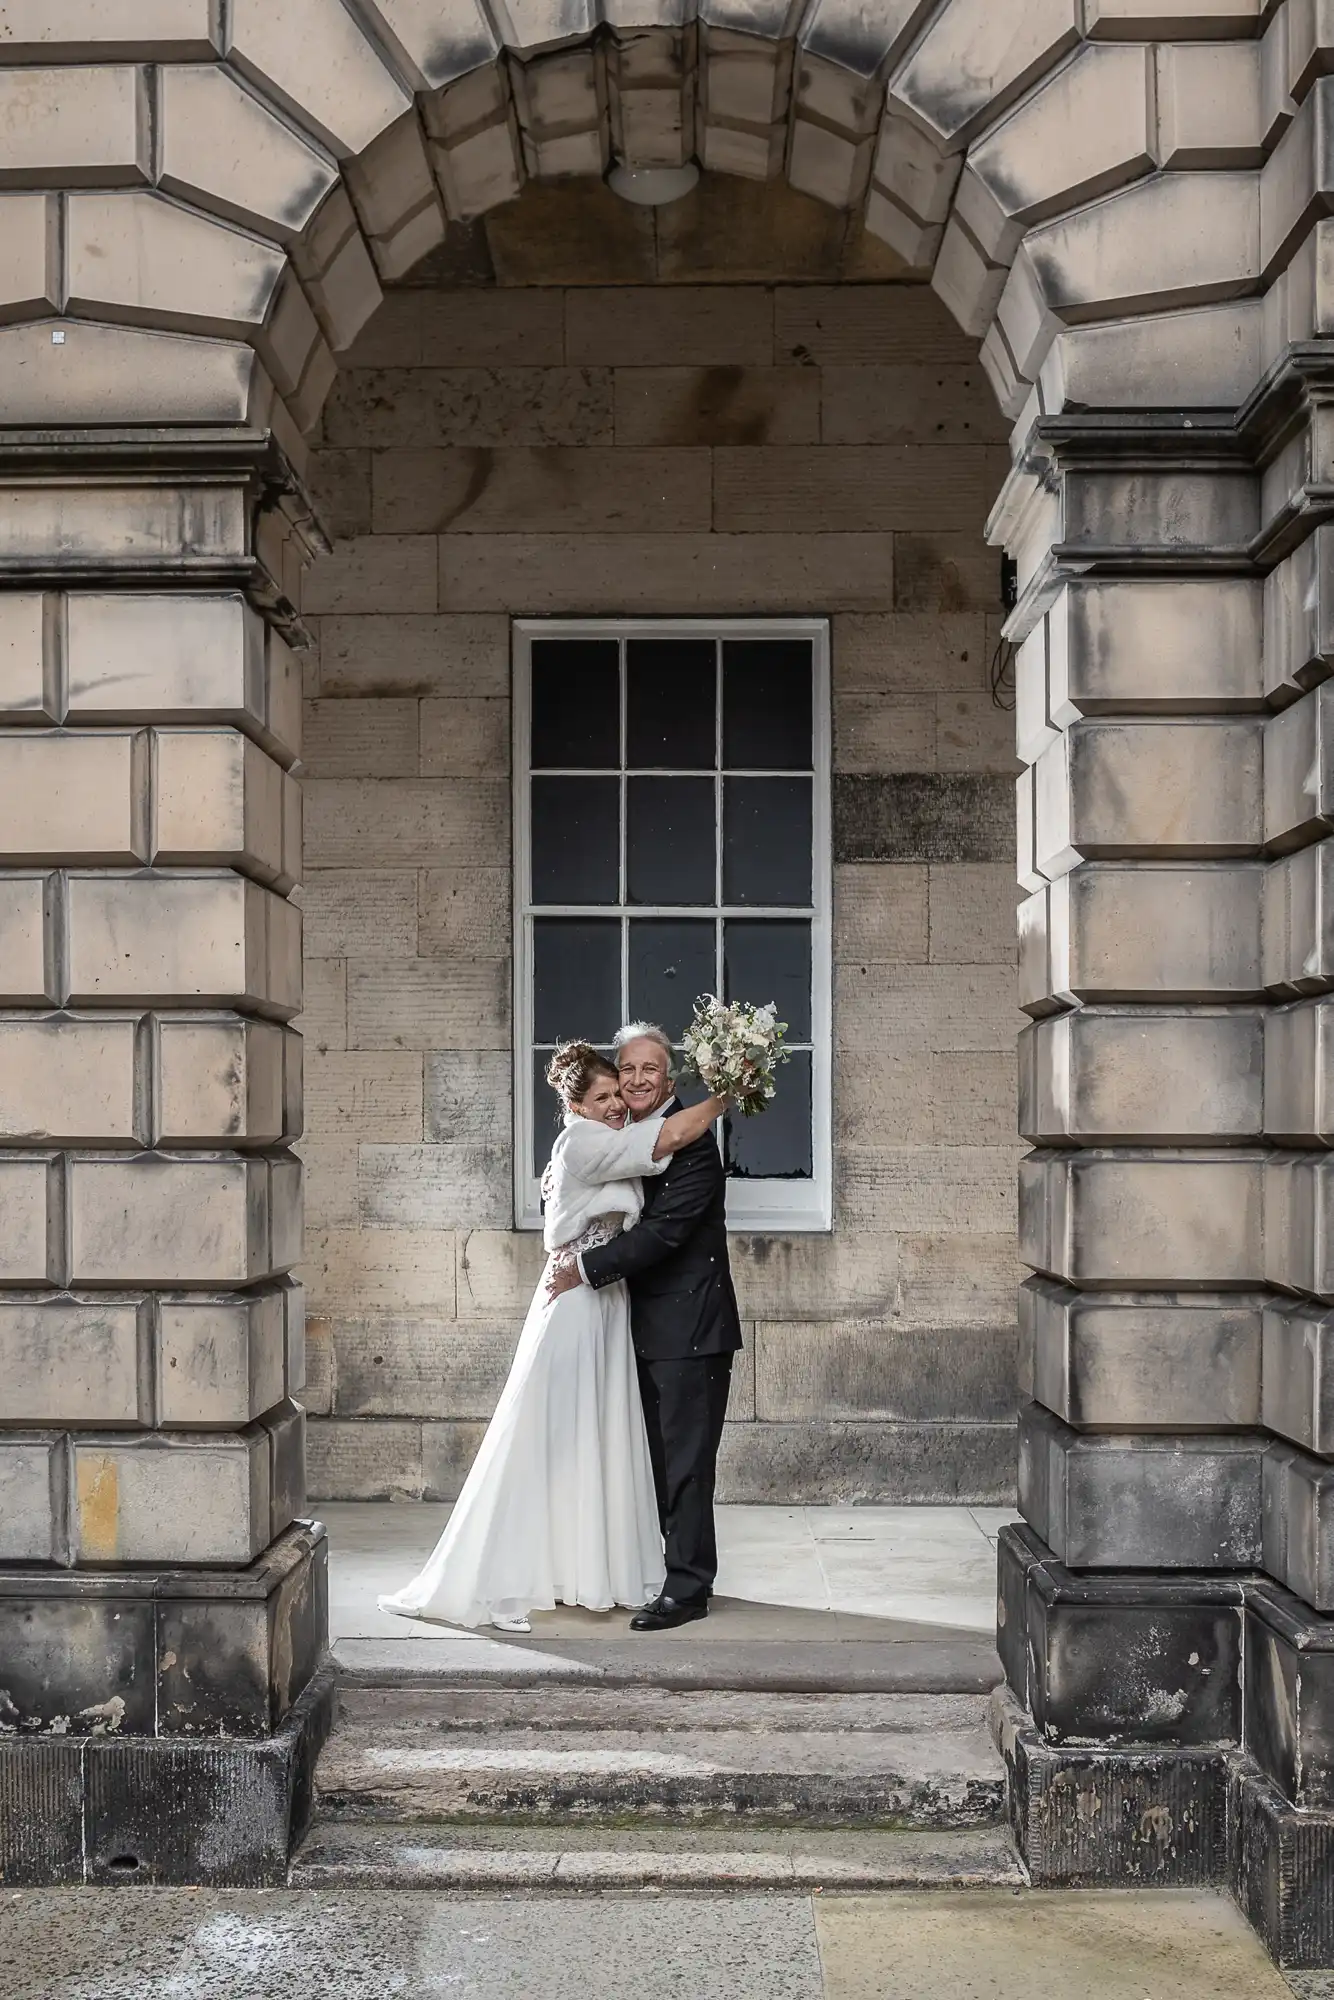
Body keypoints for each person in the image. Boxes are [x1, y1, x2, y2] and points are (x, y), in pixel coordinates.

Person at [377, 1041, 728, 1633]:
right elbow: (655, 1149)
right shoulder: (589, 1141)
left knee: (642, 1452)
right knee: (560, 1437)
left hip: (655, 1316)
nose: (623, 1095)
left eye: (639, 1078)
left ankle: (672, 1582)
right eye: (613, 1086)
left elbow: (665, 1230)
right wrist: (729, 1095)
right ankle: (526, 1569)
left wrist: (728, 1093)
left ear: (669, 1076)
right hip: (582, 1304)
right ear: (577, 1102)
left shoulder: (673, 1142)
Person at [547, 1023, 743, 1631]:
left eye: (649, 1070)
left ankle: (688, 1589)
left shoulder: (694, 1146)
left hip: (689, 1329)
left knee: (684, 1464)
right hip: (640, 1325)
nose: (635, 1080)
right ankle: (659, 1570)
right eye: (626, 1070)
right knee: (654, 1460)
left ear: (669, 1079)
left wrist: (585, 1267)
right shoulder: (620, 1134)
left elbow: (663, 1235)